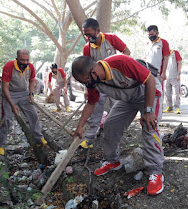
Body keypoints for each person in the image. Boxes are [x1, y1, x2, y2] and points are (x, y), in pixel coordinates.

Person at [71, 55, 165, 196]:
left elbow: (150, 80)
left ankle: (156, 172)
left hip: (149, 93)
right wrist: (80, 126)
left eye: (86, 81)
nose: (87, 85)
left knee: (149, 126)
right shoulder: (93, 83)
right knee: (110, 125)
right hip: (128, 99)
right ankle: (113, 161)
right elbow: (91, 103)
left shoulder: (121, 62)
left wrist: (148, 111)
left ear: (93, 72)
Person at [79, 17, 131, 149]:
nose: (87, 38)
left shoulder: (111, 39)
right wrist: (87, 90)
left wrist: (121, 69)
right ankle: (89, 138)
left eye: (90, 34)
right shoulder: (87, 49)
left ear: (98, 31)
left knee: (118, 107)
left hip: (115, 81)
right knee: (95, 108)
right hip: (99, 84)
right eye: (85, 35)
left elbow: (126, 52)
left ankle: (118, 135)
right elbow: (87, 71)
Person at [0, 49, 47, 156]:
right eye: (22, 60)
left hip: (24, 93)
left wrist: (31, 93)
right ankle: (1, 145)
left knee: (33, 115)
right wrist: (13, 105)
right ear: (17, 59)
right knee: (6, 119)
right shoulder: (8, 67)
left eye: (27, 60)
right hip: (9, 94)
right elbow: (5, 88)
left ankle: (39, 139)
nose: (24, 62)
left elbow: (32, 80)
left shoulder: (31, 67)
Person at [163, 50, 182, 114]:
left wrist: (179, 74)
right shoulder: (163, 53)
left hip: (174, 76)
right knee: (167, 93)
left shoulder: (175, 52)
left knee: (175, 93)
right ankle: (169, 107)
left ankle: (177, 107)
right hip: (166, 77)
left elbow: (179, 62)